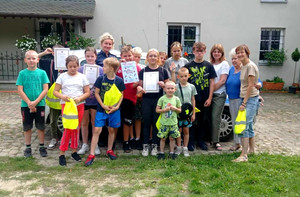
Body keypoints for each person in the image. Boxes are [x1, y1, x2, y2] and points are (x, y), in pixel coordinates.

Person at [85, 57, 125, 166]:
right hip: (101, 109)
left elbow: (121, 94)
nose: (103, 68)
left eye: (105, 66)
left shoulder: (119, 81)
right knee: (97, 130)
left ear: (111, 68)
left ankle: (109, 150)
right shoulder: (100, 79)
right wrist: (102, 105)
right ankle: (91, 154)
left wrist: (117, 107)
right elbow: (96, 93)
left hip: (114, 110)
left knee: (111, 130)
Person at [53, 55, 90, 166]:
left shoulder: (82, 77)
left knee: (75, 128)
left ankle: (74, 151)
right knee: (68, 129)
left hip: (79, 105)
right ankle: (62, 153)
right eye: (70, 66)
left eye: (75, 66)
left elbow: (87, 92)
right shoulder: (62, 77)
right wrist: (63, 97)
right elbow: (56, 91)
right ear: (66, 67)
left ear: (78, 66)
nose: (73, 68)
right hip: (67, 106)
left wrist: (79, 98)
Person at [16, 50, 50, 158]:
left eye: (34, 58)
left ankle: (41, 146)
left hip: (39, 104)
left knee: (40, 126)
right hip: (25, 105)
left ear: (38, 60)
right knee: (27, 127)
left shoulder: (42, 73)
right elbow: (20, 90)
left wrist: (35, 102)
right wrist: (29, 103)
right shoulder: (22, 73)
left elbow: (45, 89)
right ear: (25, 60)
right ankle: (28, 147)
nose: (31, 60)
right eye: (29, 58)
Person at [184, 42, 217, 151]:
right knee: (192, 120)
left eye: (201, 51)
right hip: (192, 98)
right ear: (193, 52)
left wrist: (210, 97)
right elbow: (185, 82)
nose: (199, 53)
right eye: (197, 51)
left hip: (205, 98)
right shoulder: (188, 66)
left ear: (204, 52)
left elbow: (212, 82)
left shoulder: (209, 66)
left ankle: (201, 140)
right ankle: (191, 141)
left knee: (203, 120)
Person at [137, 48, 169, 157]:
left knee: (156, 123)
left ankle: (155, 145)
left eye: (155, 56)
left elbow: (169, 87)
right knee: (146, 122)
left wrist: (163, 85)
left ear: (158, 58)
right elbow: (139, 85)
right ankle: (146, 145)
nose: (153, 58)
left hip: (159, 100)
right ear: (147, 58)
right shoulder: (143, 71)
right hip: (146, 100)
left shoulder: (163, 71)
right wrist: (140, 88)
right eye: (150, 56)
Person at [232, 44, 259, 162]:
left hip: (250, 99)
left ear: (247, 52)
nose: (239, 54)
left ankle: (244, 155)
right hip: (248, 98)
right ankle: (251, 150)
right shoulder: (244, 65)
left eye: (242, 52)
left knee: (244, 126)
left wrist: (244, 103)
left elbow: (250, 86)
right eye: (238, 53)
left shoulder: (250, 66)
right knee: (249, 126)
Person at [77, 47, 104, 155]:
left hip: (95, 100)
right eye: (87, 56)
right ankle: (85, 144)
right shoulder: (80, 69)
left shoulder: (100, 69)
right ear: (85, 57)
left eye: (92, 56)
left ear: (95, 57)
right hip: (84, 100)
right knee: (84, 123)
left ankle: (95, 143)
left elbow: (102, 84)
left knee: (94, 123)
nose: (90, 58)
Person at [116, 45, 141, 152]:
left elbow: (141, 81)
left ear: (133, 56)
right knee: (121, 121)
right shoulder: (118, 67)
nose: (128, 58)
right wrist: (118, 66)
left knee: (129, 121)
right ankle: (120, 142)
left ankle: (128, 141)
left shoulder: (137, 67)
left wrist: (137, 84)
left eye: (130, 55)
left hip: (132, 98)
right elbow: (112, 78)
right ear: (121, 56)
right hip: (120, 98)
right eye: (125, 56)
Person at [210, 44, 230, 151]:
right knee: (208, 117)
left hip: (219, 94)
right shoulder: (209, 64)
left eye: (218, 51)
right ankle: (209, 139)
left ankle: (216, 141)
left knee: (215, 117)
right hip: (210, 95)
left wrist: (210, 91)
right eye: (214, 51)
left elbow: (222, 80)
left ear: (222, 53)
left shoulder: (224, 64)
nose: (216, 53)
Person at [174, 67, 197, 157]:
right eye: (182, 76)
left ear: (189, 76)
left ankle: (185, 147)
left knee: (186, 131)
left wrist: (193, 113)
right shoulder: (175, 87)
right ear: (178, 77)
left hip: (188, 113)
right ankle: (179, 147)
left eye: (185, 76)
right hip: (178, 113)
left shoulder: (192, 87)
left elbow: (193, 100)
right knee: (178, 131)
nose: (184, 78)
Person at [156, 81, 181, 160]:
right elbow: (157, 110)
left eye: (172, 88)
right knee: (163, 138)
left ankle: (171, 152)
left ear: (175, 89)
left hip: (173, 123)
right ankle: (162, 153)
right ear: (165, 89)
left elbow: (180, 110)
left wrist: (175, 109)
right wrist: (164, 110)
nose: (170, 90)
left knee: (172, 138)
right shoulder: (162, 99)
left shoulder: (176, 99)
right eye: (168, 88)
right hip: (164, 123)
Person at [226, 48, 242, 151]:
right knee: (234, 121)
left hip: (239, 99)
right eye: (232, 59)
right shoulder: (231, 69)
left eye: (235, 58)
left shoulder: (245, 69)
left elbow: (257, 81)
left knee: (240, 122)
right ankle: (237, 142)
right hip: (231, 99)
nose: (234, 61)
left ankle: (239, 143)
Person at [132, 47, 145, 150]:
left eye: (138, 57)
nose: (136, 58)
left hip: (139, 97)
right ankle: (131, 138)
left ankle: (138, 138)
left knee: (138, 118)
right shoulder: (126, 66)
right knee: (128, 120)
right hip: (128, 96)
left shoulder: (142, 68)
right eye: (135, 56)